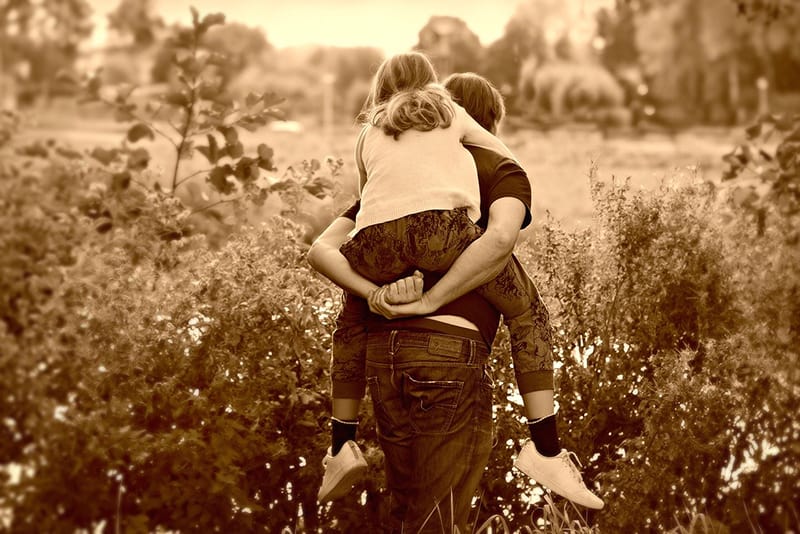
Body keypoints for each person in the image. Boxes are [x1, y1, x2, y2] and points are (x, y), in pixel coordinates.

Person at [308, 69, 603, 529]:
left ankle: (340, 443)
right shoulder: (495, 168)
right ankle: (545, 446)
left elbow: (326, 249)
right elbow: (501, 236)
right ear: (483, 121)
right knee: (439, 521)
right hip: (448, 359)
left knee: (409, 514)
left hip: (385, 360)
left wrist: (375, 294)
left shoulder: (388, 189)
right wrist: (435, 298)